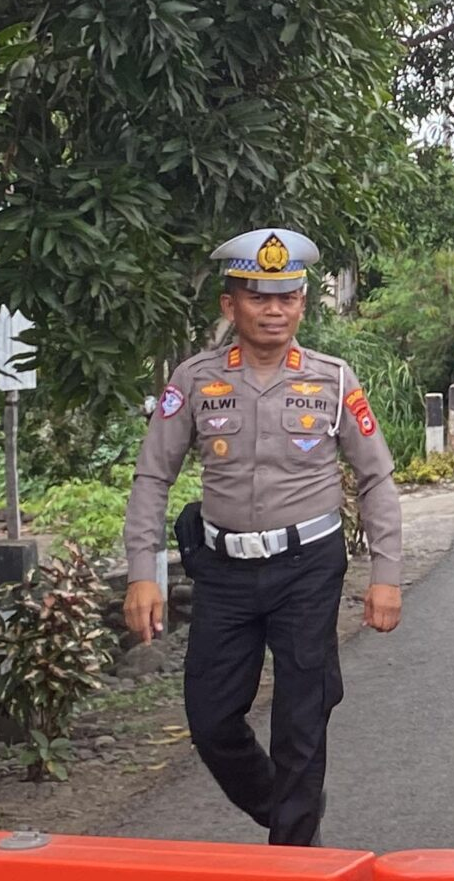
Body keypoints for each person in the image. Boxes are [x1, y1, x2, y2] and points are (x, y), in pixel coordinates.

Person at [122, 228, 402, 847]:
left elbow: (376, 475)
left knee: (303, 718)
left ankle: (294, 865)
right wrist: (144, 572)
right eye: (259, 297)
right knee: (211, 719)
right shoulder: (195, 380)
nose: (274, 311)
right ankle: (288, 806)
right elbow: (152, 475)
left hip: (308, 567)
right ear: (230, 305)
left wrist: (386, 575)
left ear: (302, 303)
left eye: (287, 297)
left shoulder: (333, 379)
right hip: (223, 571)